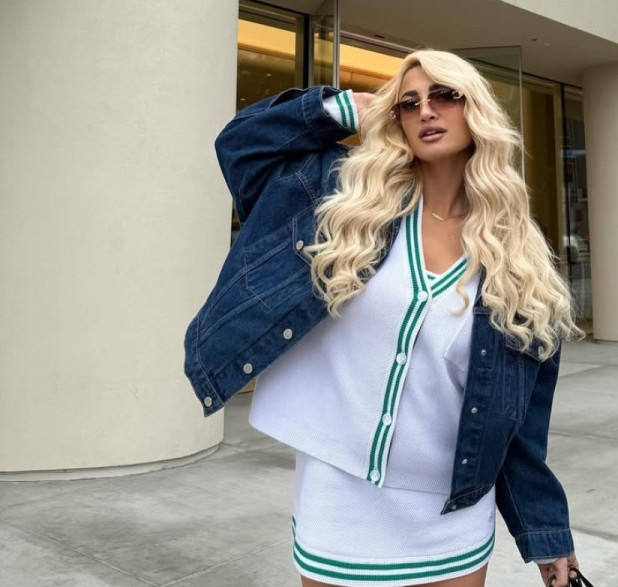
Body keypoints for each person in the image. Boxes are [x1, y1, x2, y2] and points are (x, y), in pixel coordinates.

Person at [184, 49, 583, 587]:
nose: (426, 111)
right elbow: (240, 145)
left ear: (476, 109)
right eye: (408, 103)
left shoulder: (518, 255)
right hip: (339, 500)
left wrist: (546, 532)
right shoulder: (344, 199)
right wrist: (345, 109)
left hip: (451, 516)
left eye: (445, 96)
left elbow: (519, 420)